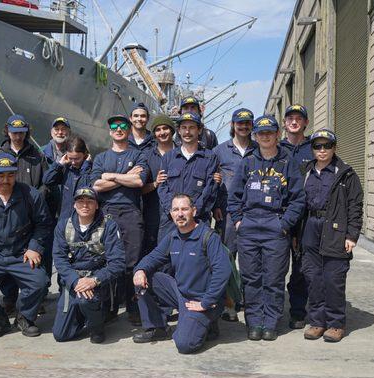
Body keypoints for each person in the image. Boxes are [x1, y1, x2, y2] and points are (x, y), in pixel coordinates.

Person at [227, 115, 305, 341]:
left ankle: (270, 322)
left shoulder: (287, 162)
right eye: (261, 133)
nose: (265, 137)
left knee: (273, 278)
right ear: (255, 136)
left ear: (277, 134)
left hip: (275, 228)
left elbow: (298, 199)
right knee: (251, 279)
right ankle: (254, 322)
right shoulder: (248, 162)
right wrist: (240, 221)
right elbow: (234, 197)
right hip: (249, 227)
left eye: (269, 132)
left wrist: (284, 225)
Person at [0, 153, 54, 340]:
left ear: (16, 174)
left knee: (40, 282)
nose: (6, 180)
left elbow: (43, 224)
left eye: (10, 175)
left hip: (21, 252)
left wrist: (34, 247)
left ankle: (24, 317)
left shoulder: (31, 195)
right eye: (1, 175)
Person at [132, 193, 232, 354]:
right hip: (181, 295)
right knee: (143, 279)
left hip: (203, 300)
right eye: (175, 209)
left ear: (194, 211)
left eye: (184, 209)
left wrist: (206, 302)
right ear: (171, 213)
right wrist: (140, 270)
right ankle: (157, 327)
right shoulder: (173, 237)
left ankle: (207, 322)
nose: (180, 214)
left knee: (185, 345)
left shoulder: (208, 237)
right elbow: (153, 257)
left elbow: (223, 271)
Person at [301, 129, 363, 343]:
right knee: (313, 277)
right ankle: (317, 322)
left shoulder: (346, 173)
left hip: (335, 228)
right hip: (311, 226)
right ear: (312, 149)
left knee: (333, 278)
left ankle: (336, 323)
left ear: (334, 148)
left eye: (327, 145)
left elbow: (356, 206)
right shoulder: (306, 171)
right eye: (318, 146)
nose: (322, 150)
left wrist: (352, 235)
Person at [0, 114, 52, 315]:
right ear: (7, 132)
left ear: (26, 133)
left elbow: (46, 180)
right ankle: (10, 299)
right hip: (8, 212)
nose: (18, 136)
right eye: (14, 132)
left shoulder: (36, 155)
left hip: (32, 212)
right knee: (9, 255)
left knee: (35, 256)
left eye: (21, 133)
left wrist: (38, 195)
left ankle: (35, 299)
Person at [91, 114, 147, 323]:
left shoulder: (138, 154)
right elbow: (97, 185)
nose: (119, 128)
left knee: (133, 261)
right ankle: (109, 306)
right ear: (109, 131)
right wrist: (125, 176)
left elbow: (139, 181)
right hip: (107, 213)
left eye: (123, 125)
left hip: (131, 212)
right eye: (114, 126)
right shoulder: (101, 158)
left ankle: (133, 307)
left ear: (129, 129)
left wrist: (111, 175)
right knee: (107, 260)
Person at [52, 188, 126, 343]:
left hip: (98, 281)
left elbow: (117, 262)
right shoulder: (63, 225)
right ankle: (84, 315)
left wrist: (94, 280)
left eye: (89, 201)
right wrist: (75, 281)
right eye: (80, 201)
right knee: (61, 335)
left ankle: (97, 326)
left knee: (87, 300)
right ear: (74, 205)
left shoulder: (109, 226)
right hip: (73, 281)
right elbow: (59, 258)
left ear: (97, 205)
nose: (85, 205)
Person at [212, 107, 257, 322]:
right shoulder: (220, 151)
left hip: (255, 213)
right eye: (240, 123)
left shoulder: (259, 149)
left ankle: (252, 303)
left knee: (253, 260)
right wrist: (215, 206)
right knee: (227, 259)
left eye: (248, 123)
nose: (244, 126)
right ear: (233, 125)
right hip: (227, 215)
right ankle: (229, 305)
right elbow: (213, 182)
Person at [157, 112, 219, 241]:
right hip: (170, 221)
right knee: (167, 259)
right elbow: (162, 187)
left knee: (197, 259)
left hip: (198, 220)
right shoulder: (168, 157)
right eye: (184, 128)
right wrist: (174, 211)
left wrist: (192, 212)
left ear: (199, 130)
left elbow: (210, 189)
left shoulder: (210, 158)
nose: (187, 132)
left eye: (191, 127)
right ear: (178, 131)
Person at [280, 104, 314, 329]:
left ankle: (298, 311)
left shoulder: (314, 148)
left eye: (298, 119)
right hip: (280, 215)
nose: (294, 122)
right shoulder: (275, 147)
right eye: (290, 118)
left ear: (305, 123)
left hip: (305, 217)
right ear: (284, 123)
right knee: (276, 266)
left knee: (301, 267)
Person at [141, 114, 175, 256]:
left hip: (176, 213)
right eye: (158, 129)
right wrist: (155, 184)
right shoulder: (146, 156)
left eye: (165, 128)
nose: (162, 132)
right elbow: (138, 189)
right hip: (152, 213)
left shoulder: (182, 153)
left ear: (172, 130)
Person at [42, 136, 92, 221]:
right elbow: (47, 180)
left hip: (83, 220)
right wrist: (59, 164)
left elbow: (86, 188)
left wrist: (85, 168)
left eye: (77, 158)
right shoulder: (66, 169)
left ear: (85, 155)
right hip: (64, 219)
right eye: (70, 158)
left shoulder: (92, 170)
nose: (73, 162)